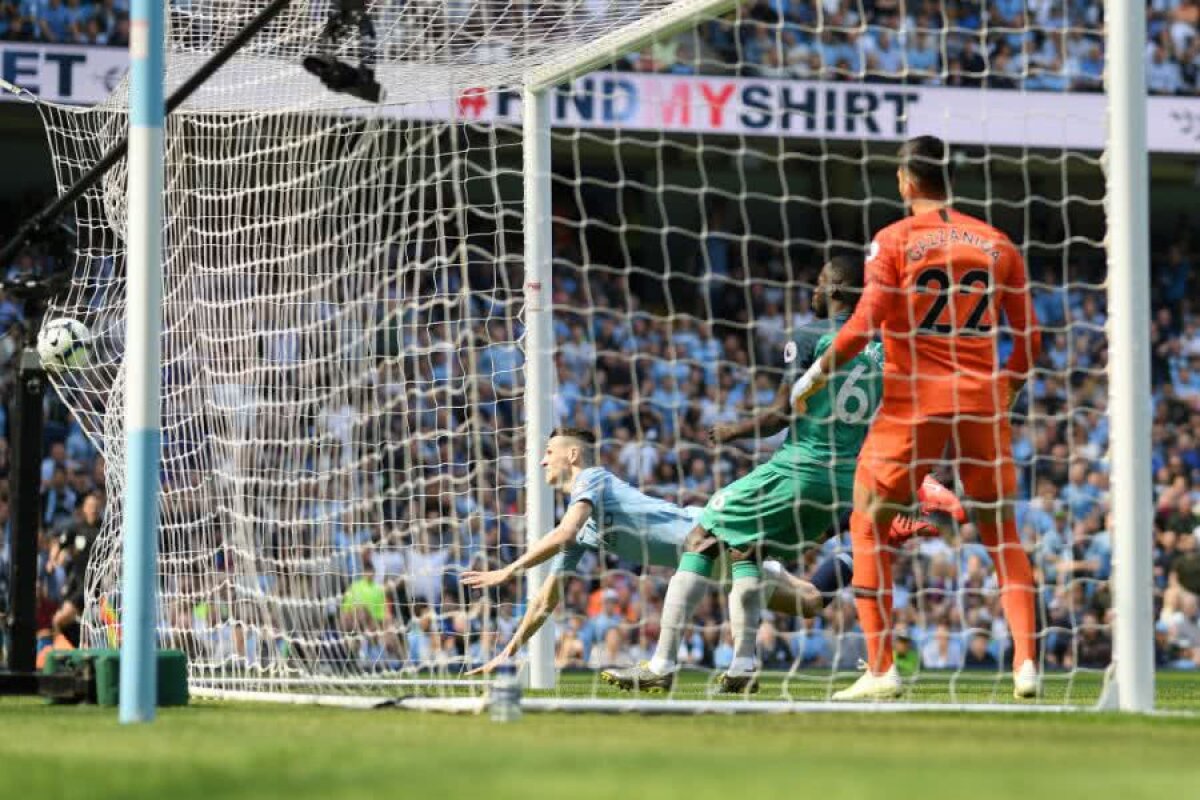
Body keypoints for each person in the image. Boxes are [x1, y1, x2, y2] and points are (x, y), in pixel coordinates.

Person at [790, 135, 1042, 700]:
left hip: (914, 405)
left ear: (905, 180)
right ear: (946, 177)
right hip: (980, 403)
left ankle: (881, 668)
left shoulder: (894, 240)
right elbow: (1031, 337)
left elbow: (862, 324)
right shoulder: (997, 243)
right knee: (1003, 534)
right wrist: (1009, 387)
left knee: (867, 524)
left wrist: (814, 377)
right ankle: (1026, 664)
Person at [603, 256, 887, 693]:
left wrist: (732, 429)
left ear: (834, 289)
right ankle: (743, 666)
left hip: (799, 468)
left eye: (817, 282)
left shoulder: (812, 337)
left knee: (703, 535)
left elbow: (778, 414)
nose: (811, 291)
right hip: (844, 482)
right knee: (745, 552)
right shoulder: (882, 346)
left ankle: (661, 665)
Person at [461, 428, 822, 676]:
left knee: (804, 587)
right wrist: (506, 654)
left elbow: (564, 531)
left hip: (713, 533)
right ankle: (848, 560)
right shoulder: (587, 529)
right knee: (809, 602)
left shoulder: (593, 478)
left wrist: (508, 571)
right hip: (707, 564)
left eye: (548, 452)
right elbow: (544, 601)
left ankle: (831, 518)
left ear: (572, 455)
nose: (542, 461)